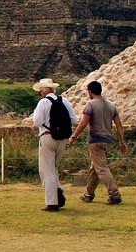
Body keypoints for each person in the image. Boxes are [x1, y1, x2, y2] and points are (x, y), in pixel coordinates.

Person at [67, 80, 126, 205]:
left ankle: (114, 193)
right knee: (95, 168)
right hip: (108, 140)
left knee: (102, 168)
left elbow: (83, 123)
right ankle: (88, 194)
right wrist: (122, 142)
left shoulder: (91, 105)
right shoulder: (111, 106)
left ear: (90, 91)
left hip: (95, 140)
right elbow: (119, 126)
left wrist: (73, 137)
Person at [29, 78, 77, 212]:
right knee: (54, 167)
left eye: (41, 89)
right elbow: (74, 119)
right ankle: (58, 192)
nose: (40, 92)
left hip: (47, 136)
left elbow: (38, 121)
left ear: (45, 90)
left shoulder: (43, 103)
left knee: (46, 170)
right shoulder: (64, 101)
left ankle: (52, 202)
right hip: (62, 138)